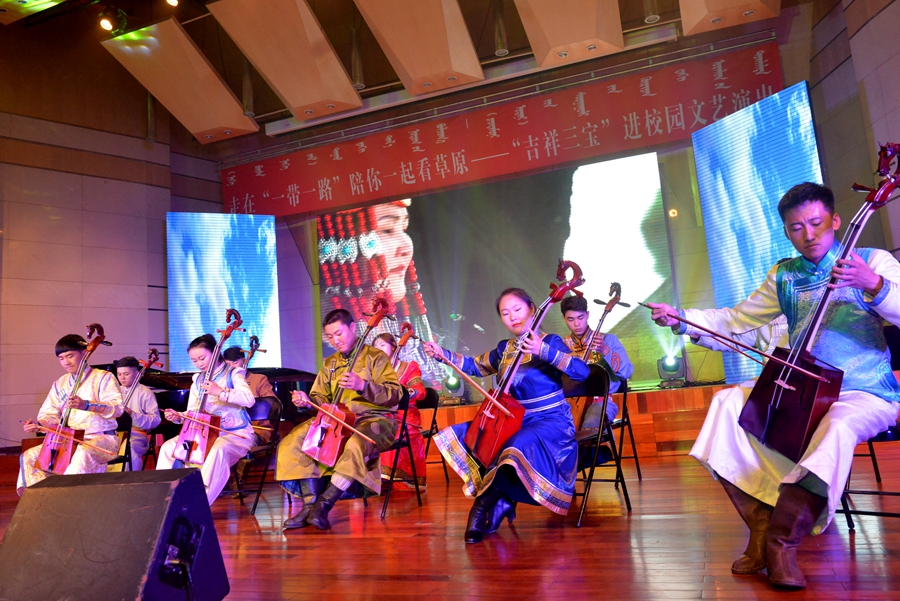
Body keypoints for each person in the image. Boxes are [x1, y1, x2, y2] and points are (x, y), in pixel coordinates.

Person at [648, 182, 900, 589]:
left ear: (835, 222)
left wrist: (873, 284)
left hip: (863, 392)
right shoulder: (784, 275)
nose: (810, 234)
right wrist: (680, 319)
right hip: (804, 390)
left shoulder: (872, 261)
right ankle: (761, 527)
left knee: (838, 424)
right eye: (797, 227)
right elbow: (736, 320)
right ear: (786, 232)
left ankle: (782, 544)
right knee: (728, 403)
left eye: (817, 223)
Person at [425, 288, 591, 544]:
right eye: (505, 313)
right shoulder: (505, 348)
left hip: (552, 421)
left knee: (515, 446)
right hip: (516, 419)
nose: (512, 317)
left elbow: (582, 372)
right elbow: (474, 366)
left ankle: (480, 510)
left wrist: (542, 350)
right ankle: (502, 502)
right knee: (473, 437)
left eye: (517, 309)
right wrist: (443, 354)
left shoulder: (549, 341)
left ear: (532, 309)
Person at [276, 309, 404, 531]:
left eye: (339, 333)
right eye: (330, 337)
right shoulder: (330, 363)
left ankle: (324, 505)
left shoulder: (376, 357)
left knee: (355, 444)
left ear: (353, 328)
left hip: (374, 419)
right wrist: (307, 400)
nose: (335, 341)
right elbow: (319, 396)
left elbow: (395, 394)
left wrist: (362, 386)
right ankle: (309, 506)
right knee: (294, 441)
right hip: (336, 420)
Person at [318, 200, 444, 385]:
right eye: (387, 230)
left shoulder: (416, 333)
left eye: (404, 228)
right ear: (343, 246)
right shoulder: (330, 357)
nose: (406, 247)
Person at [156, 334, 256, 506]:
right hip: (204, 434)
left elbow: (249, 399)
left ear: (215, 352)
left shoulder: (233, 373)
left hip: (235, 434)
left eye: (202, 358)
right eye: (194, 360)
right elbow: (194, 411)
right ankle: (165, 499)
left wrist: (221, 392)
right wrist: (179, 416)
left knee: (219, 449)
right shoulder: (198, 379)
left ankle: (199, 503)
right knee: (168, 447)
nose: (199, 363)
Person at [17, 334, 122, 495]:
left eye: (70, 356)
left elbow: (117, 408)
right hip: (68, 441)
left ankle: (67, 498)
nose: (66, 362)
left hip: (101, 439)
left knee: (82, 451)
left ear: (84, 353)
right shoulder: (60, 383)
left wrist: (86, 405)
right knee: (29, 456)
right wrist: (40, 424)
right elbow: (50, 413)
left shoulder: (103, 377)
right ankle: (40, 499)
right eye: (61, 358)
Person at [560, 295, 634, 429]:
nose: (576, 324)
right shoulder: (561, 346)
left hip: (602, 402)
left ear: (588, 315)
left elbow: (627, 372)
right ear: (564, 319)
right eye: (570, 319)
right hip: (569, 404)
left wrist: (605, 350)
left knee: (591, 423)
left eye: (580, 318)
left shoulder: (608, 340)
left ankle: (596, 448)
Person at [372, 333, 427, 489]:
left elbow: (420, 392)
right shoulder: (375, 372)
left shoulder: (409, 367)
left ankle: (387, 479)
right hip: (383, 415)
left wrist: (403, 392)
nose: (378, 349)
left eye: (382, 345)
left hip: (406, 417)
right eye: (375, 346)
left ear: (394, 347)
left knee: (389, 431)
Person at [115, 356, 162, 471]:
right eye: (119, 374)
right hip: (115, 433)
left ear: (136, 374)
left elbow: (156, 420)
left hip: (137, 435)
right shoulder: (115, 391)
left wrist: (133, 415)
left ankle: (129, 480)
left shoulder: (145, 392)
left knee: (128, 448)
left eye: (126, 374)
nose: (122, 378)